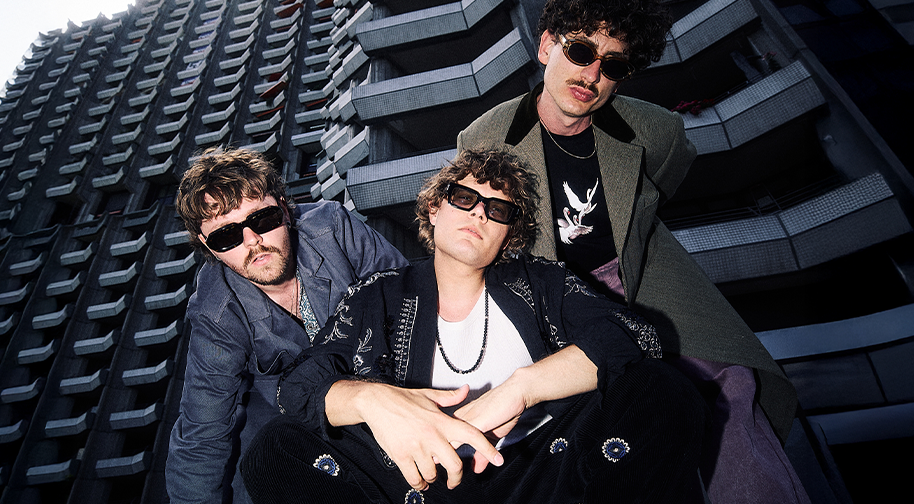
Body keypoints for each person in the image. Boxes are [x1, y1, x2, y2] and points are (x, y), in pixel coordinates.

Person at [456, 1, 808, 502]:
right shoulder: (486, 138)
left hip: (643, 278)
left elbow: (661, 183)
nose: (592, 75)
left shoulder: (654, 130)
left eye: (613, 65)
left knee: (730, 383)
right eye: (581, 52)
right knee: (603, 417)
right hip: (560, 296)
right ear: (547, 46)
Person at [240, 149, 707, 503]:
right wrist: (373, 400)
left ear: (508, 235)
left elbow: (632, 335)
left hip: (541, 470)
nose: (480, 212)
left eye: (498, 210)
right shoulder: (378, 294)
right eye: (465, 198)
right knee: (274, 450)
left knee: (660, 388)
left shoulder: (541, 282)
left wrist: (521, 389)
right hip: (421, 484)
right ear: (434, 209)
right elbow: (298, 386)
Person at [165, 146, 408, 504]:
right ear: (209, 247)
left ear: (284, 208)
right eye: (226, 236)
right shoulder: (215, 312)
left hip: (388, 390)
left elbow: (408, 306)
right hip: (303, 429)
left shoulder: (334, 229)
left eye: (262, 219)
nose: (252, 241)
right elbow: (202, 435)